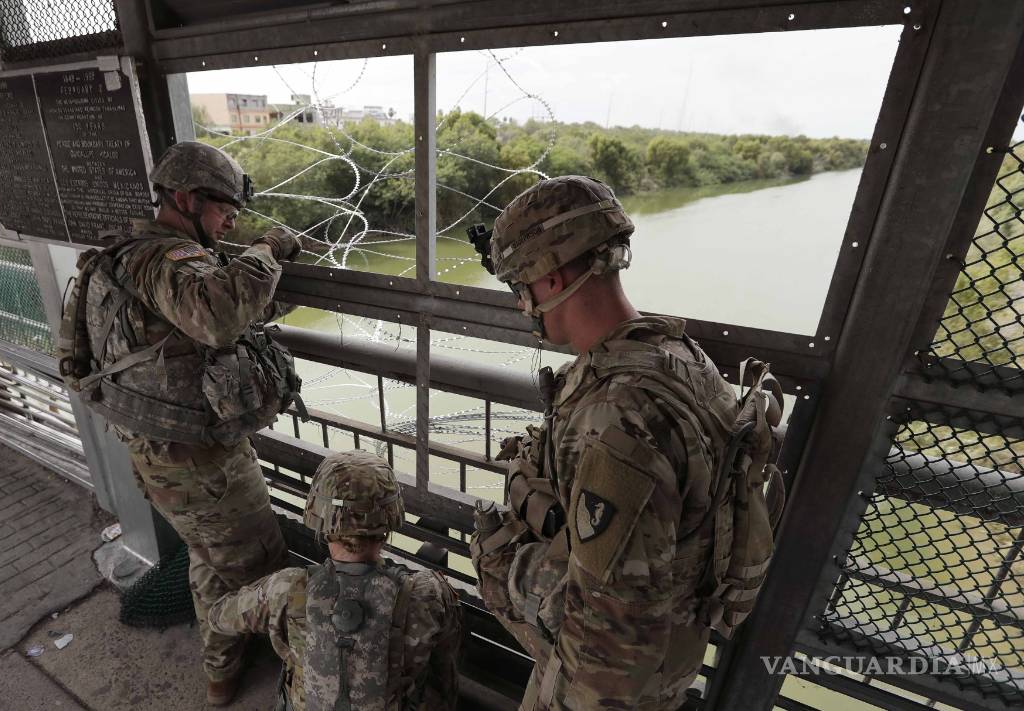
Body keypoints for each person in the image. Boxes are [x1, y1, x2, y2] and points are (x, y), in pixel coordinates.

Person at [468, 175, 780, 710]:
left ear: (554, 276)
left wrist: (509, 568)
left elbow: (608, 660)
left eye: (520, 286)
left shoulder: (618, 420)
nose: (522, 304)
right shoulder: (679, 354)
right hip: (663, 649)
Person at [59, 141, 304, 705]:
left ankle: (220, 675)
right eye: (223, 211)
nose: (229, 223)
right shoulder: (164, 258)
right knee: (261, 566)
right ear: (188, 199)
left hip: (160, 451)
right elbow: (217, 316)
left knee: (209, 562)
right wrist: (268, 248)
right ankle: (300, 674)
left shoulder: (125, 254)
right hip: (198, 462)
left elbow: (186, 324)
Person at [208, 450, 463, 710]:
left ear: (320, 519)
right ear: (390, 521)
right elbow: (446, 672)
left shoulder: (286, 589)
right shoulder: (428, 595)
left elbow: (219, 616)